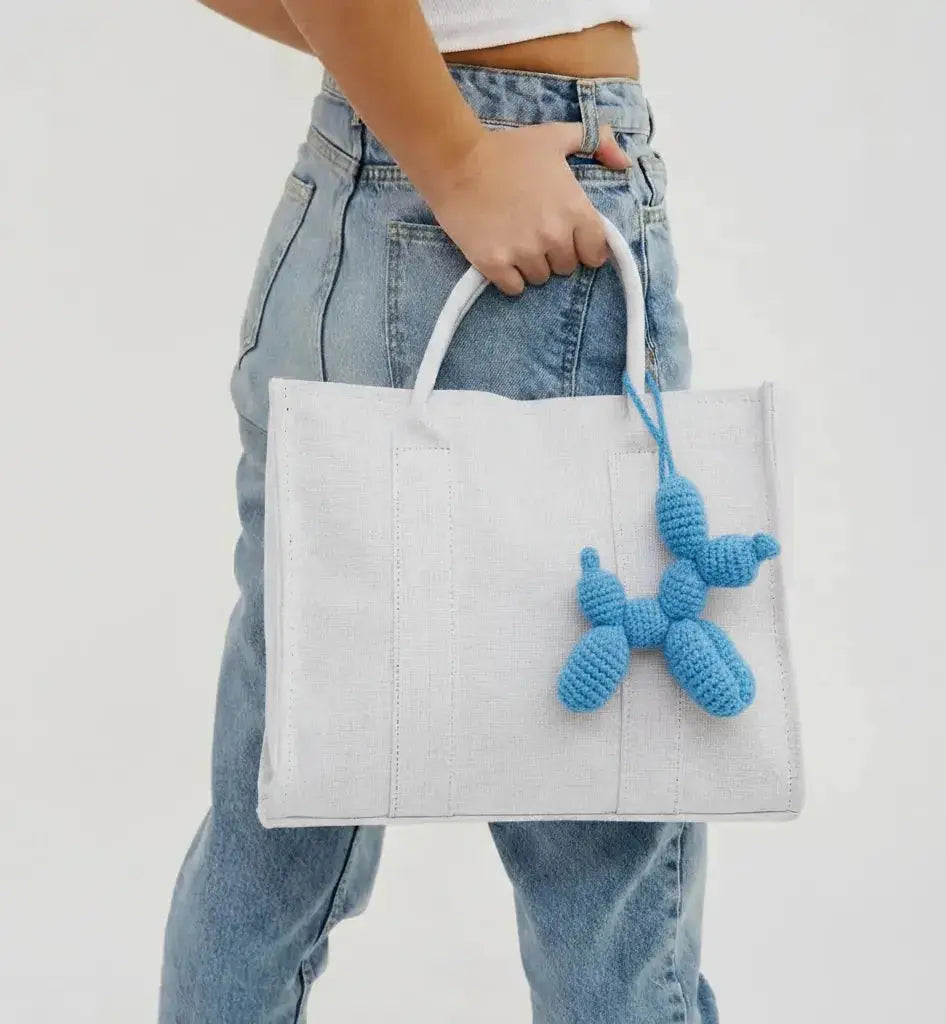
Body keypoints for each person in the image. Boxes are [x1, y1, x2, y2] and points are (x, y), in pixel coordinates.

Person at [160, 2, 713, 1021]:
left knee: (278, 819)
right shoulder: (477, 165)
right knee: (601, 839)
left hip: (355, 191)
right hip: (514, 195)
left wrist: (405, 88)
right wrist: (456, 160)